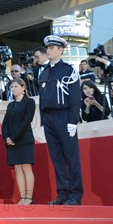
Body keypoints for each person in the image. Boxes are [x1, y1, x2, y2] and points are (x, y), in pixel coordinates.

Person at [38, 35, 82, 206]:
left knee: (71, 157)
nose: (48, 50)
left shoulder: (69, 70)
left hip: (64, 117)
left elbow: (75, 98)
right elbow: (42, 99)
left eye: (52, 48)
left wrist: (72, 121)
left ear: (61, 50)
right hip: (48, 118)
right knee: (56, 158)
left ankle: (75, 195)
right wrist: (42, 122)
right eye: (47, 48)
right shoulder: (45, 71)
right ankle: (62, 193)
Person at [1, 78, 36, 205]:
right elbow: (5, 124)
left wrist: (14, 138)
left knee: (26, 167)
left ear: (23, 88)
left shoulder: (29, 102)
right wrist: (7, 138)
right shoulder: (11, 105)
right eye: (12, 87)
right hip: (11, 141)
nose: (13, 89)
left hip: (24, 139)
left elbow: (26, 121)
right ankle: (22, 197)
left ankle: (29, 197)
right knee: (17, 168)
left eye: (16, 86)